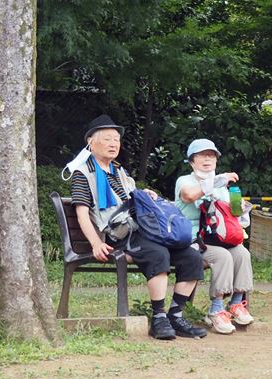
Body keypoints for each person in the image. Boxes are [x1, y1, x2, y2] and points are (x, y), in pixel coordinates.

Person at [70, 115, 206, 340]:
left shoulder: (119, 170)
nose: (114, 144)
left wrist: (144, 195)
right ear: (91, 143)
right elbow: (82, 213)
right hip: (119, 236)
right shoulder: (83, 173)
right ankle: (159, 318)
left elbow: (131, 197)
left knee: (192, 257)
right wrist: (95, 243)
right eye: (107, 139)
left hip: (142, 229)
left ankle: (175, 316)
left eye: (116, 139)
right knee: (158, 253)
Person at [174, 139, 255, 335]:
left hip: (218, 238)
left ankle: (236, 303)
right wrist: (214, 182)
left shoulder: (222, 186)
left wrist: (240, 208)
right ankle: (216, 309)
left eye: (211, 156)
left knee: (242, 253)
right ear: (192, 161)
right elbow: (189, 196)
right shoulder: (185, 181)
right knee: (222, 256)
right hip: (192, 239)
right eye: (202, 155)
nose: (207, 159)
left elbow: (228, 215)